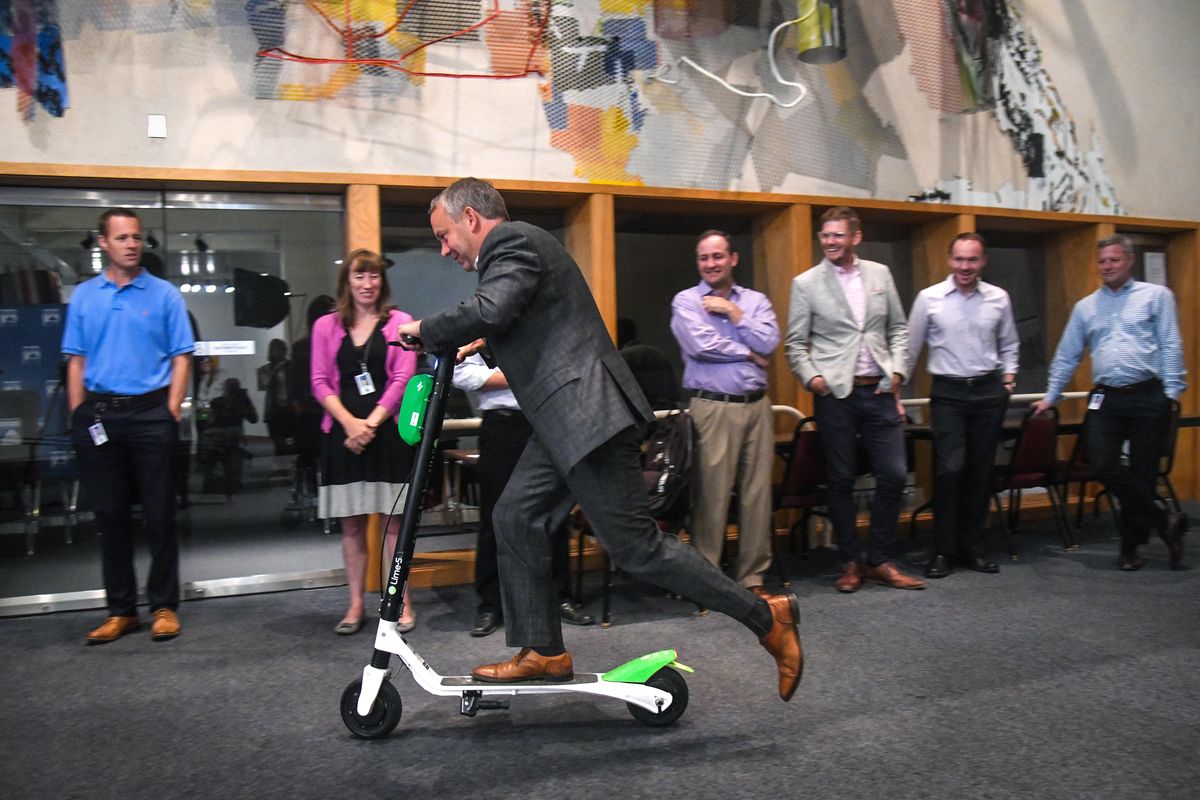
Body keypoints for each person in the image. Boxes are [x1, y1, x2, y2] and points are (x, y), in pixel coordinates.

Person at [399, 177, 801, 702]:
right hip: (563, 419)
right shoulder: (515, 254)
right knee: (515, 516)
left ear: (471, 218)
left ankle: (765, 615)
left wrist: (427, 327)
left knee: (637, 548)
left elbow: (495, 308)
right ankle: (543, 650)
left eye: (444, 234)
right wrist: (478, 345)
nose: (444, 247)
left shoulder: (511, 242)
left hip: (589, 417)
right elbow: (528, 323)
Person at [62, 208, 194, 644]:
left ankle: (163, 606)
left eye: (137, 237)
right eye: (122, 238)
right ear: (103, 243)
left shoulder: (164, 295)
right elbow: (76, 361)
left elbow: (181, 356)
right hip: (99, 416)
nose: (131, 244)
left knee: (160, 515)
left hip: (150, 414)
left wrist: (170, 409)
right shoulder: (84, 297)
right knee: (110, 516)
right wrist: (79, 414)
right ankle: (121, 610)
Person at [785, 206, 925, 593]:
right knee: (841, 479)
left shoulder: (879, 274)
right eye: (824, 235)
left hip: (879, 390)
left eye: (836, 235)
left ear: (855, 237)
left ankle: (878, 559)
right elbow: (795, 344)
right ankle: (849, 561)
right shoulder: (806, 283)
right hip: (835, 395)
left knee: (895, 475)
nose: (829, 241)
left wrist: (897, 372)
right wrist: (814, 380)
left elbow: (898, 328)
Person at [1031, 234, 1187, 570]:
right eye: (1102, 261)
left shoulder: (1156, 297)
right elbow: (1067, 354)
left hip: (1148, 394)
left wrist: (1172, 393)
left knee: (1143, 473)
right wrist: (1051, 396)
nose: (1107, 267)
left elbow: (1171, 344)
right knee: (1103, 465)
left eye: (1114, 260)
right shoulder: (1086, 307)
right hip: (1106, 396)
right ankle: (1165, 520)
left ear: (1129, 260)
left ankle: (1130, 548)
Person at [311, 250, 418, 634]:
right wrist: (350, 425)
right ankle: (355, 606)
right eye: (359, 277)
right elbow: (319, 381)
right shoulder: (326, 326)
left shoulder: (400, 323)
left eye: (373, 277)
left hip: (387, 435)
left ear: (382, 282)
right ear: (347, 282)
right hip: (342, 439)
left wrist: (369, 425)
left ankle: (400, 603)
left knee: (394, 527)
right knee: (352, 528)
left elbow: (402, 379)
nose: (367, 284)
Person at [453, 350, 594, 637]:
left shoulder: (544, 324)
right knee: (495, 517)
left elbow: (567, 367)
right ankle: (491, 605)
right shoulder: (483, 327)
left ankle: (559, 596)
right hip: (503, 426)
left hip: (549, 423)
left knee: (553, 516)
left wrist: (512, 377)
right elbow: (461, 373)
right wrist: (518, 376)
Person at [670, 230, 780, 591]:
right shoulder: (686, 301)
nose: (711, 264)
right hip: (713, 407)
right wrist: (748, 352)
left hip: (757, 407)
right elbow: (701, 345)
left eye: (717, 256)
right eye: (704, 258)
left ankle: (753, 577)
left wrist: (734, 312)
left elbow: (769, 341)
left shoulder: (755, 301)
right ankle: (709, 580)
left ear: (732, 259)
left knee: (757, 494)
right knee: (711, 497)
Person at [907, 232, 1019, 578]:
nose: (965, 266)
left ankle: (973, 549)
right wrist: (894, 393)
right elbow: (910, 347)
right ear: (949, 260)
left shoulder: (998, 298)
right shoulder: (930, 298)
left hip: (988, 392)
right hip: (949, 393)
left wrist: (1009, 379)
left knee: (979, 473)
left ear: (983, 261)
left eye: (972, 259)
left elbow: (1010, 343)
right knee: (950, 470)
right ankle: (943, 551)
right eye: (959, 259)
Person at [206, 377, 258, 498]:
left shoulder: (216, 402)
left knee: (219, 458)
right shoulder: (242, 400)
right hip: (235, 433)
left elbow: (210, 421)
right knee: (234, 459)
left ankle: (218, 483)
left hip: (220, 435)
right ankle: (233, 483)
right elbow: (253, 418)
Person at [258, 338, 295, 453]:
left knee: (291, 440)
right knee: (278, 443)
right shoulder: (265, 370)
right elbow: (264, 384)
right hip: (274, 410)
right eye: (273, 349)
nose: (276, 352)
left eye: (279, 349)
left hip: (289, 408)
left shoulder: (291, 366)